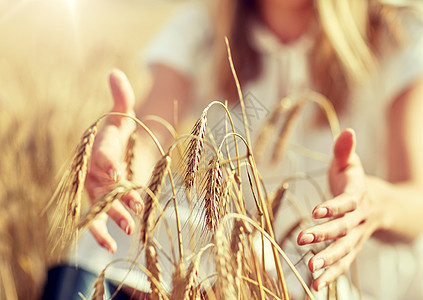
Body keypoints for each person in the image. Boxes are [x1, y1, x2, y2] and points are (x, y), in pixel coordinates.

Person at [78, 0, 423, 298]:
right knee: (104, 240)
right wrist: (120, 169)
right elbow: (150, 136)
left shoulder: (395, 34)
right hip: (238, 254)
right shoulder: (204, 27)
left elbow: (416, 199)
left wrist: (371, 204)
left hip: (344, 277)